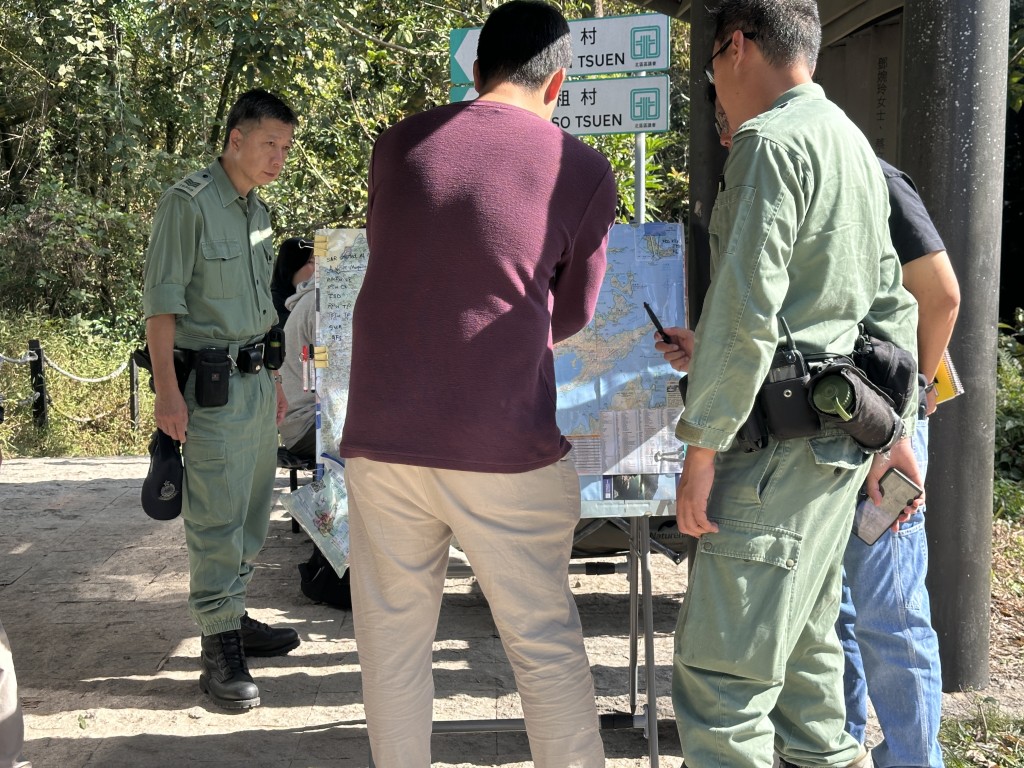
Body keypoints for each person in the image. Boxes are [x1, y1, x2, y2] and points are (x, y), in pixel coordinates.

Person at [338, 1, 617, 764]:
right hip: (503, 440)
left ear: (474, 67)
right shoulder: (583, 170)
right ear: (557, 80)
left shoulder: (397, 146)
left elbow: (410, 264)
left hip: (381, 433)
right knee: (543, 645)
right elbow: (570, 315)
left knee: (392, 647)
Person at [655, 1, 922, 766]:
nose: (716, 90)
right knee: (807, 692)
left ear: (735, 47)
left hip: (770, 460)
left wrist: (700, 450)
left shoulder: (770, 143)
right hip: (834, 454)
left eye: (711, 72)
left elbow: (745, 308)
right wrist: (892, 434)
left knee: (722, 691)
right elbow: (887, 305)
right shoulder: (848, 142)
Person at [142, 88, 301, 711]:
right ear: (236, 139)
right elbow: (162, 307)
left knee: (254, 513)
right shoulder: (188, 206)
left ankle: (231, 618)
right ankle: (217, 644)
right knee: (215, 519)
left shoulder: (254, 210)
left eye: (285, 148)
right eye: (269, 145)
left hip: (257, 383)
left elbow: (261, 309)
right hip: (205, 392)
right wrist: (165, 395)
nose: (278, 158)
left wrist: (278, 379)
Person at [837, 161, 960, 768]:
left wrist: (907, 407)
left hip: (886, 428)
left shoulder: (872, 177)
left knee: (890, 613)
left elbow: (941, 293)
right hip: (838, 424)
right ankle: (841, 750)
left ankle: (914, 759)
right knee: (838, 611)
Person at [271, 237, 314, 331]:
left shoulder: (315, 299)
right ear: (291, 265)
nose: (317, 268)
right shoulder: (272, 305)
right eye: (311, 261)